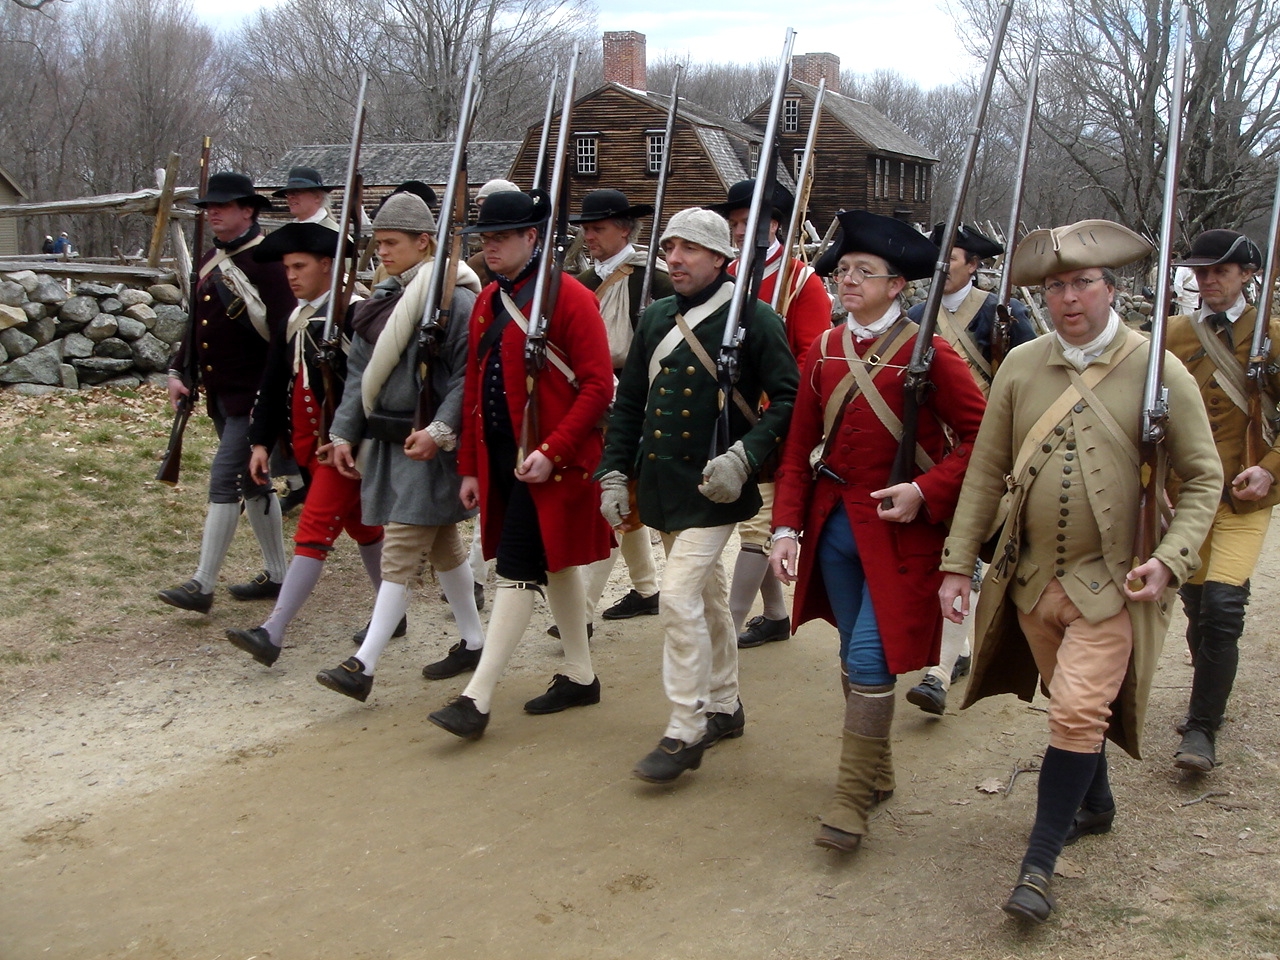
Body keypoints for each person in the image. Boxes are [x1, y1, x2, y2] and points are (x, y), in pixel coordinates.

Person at [937, 219, 1221, 923]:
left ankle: (1038, 866)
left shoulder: (1160, 368)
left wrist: (1169, 558)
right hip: (1030, 579)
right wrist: (954, 565)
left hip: (1113, 586)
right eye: (1056, 285)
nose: (1069, 297)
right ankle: (1095, 802)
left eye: (1083, 282)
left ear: (1112, 288)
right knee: (1072, 703)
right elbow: (985, 473)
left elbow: (1204, 477)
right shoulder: (1021, 365)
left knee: (1074, 710)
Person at [768, 210, 986, 852]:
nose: (848, 281)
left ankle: (850, 797)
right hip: (834, 530)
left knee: (869, 657)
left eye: (866, 272)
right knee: (849, 655)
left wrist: (926, 490)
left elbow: (981, 440)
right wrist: (785, 526)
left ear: (898, 285)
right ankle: (878, 770)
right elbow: (796, 449)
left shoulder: (933, 353)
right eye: (843, 271)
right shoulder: (822, 349)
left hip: (899, 534)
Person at [597, 207, 798, 783]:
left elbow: (787, 403)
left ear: (719, 257)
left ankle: (687, 728)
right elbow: (630, 403)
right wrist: (614, 473)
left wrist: (744, 457)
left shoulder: (755, 319)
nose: (675, 259)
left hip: (716, 484)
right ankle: (727, 704)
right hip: (663, 483)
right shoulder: (657, 315)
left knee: (676, 596)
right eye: (669, 248)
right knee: (707, 599)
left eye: (689, 249)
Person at [426, 189, 614, 739]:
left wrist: (551, 450)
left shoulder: (571, 298)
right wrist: (467, 467)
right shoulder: (486, 300)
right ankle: (580, 674)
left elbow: (598, 387)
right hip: (505, 465)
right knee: (553, 565)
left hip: (557, 464)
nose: (492, 246)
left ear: (533, 238)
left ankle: (476, 698)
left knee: (516, 567)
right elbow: (474, 396)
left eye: (502, 237)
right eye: (486, 238)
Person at [310, 192, 486, 700]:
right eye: (379, 242)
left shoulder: (457, 299)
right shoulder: (378, 303)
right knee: (443, 544)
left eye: (392, 243)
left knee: (403, 546)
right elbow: (360, 377)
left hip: (430, 446)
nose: (382, 251)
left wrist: (441, 431)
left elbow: (465, 380)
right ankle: (474, 640)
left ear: (423, 242)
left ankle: (363, 665)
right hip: (390, 443)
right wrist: (343, 432)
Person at [220, 222, 383, 666]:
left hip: (347, 447)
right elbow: (275, 383)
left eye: (299, 265)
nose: (290, 275)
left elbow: (371, 386)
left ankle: (273, 631)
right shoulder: (297, 318)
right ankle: (394, 611)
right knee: (364, 528)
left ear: (327, 265)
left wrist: (351, 438)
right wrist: (259, 443)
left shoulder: (356, 314)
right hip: (314, 447)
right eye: (287, 267)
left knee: (312, 530)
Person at [903, 223, 1038, 716]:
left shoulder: (1005, 315)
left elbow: (1030, 379)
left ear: (973, 264)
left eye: (952, 256)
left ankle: (940, 668)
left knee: (964, 556)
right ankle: (952, 650)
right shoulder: (916, 317)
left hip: (988, 449)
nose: (942, 265)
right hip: (929, 449)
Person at [1166, 228, 1280, 772]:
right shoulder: (1172, 335)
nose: (1208, 281)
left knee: (1222, 608)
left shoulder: (1272, 337)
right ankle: (1209, 693)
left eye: (1220, 272)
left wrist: (1270, 470)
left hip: (1243, 497)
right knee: (1195, 607)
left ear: (1247, 275)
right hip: (1186, 497)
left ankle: (1201, 729)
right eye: (1201, 272)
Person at [158, 172, 294, 614]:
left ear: (248, 210)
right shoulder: (209, 260)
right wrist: (180, 369)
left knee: (225, 480)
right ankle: (277, 575)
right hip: (221, 393)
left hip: (256, 396)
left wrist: (270, 399)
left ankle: (202, 584)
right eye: (208, 207)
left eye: (223, 205)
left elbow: (284, 334)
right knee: (254, 484)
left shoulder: (269, 262)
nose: (212, 212)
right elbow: (195, 323)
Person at [710, 179, 831, 649]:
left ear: (774, 224)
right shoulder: (731, 274)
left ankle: (730, 624)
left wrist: (773, 408)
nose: (739, 231)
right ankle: (775, 613)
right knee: (748, 513)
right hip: (732, 413)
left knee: (760, 523)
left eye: (748, 222)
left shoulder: (802, 281)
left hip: (776, 416)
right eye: (735, 223)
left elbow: (811, 357)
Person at [562, 188, 673, 628]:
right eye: (586, 229)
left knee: (620, 499)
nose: (589, 236)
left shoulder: (656, 281)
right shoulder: (583, 284)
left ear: (624, 230)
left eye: (598, 228)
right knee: (623, 496)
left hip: (640, 402)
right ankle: (647, 589)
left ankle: (581, 614)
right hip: (595, 400)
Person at [272, 166, 338, 229]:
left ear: (317, 197)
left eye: (297, 192)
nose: (290, 197)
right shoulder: (286, 234)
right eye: (288, 193)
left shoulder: (336, 235)